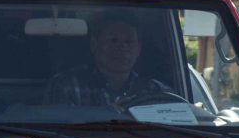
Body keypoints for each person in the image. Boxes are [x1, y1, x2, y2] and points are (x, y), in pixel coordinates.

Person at [46, 12, 175, 109]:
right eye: (114, 41)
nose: (122, 48)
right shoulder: (68, 86)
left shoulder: (156, 91)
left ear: (139, 49)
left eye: (129, 42)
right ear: (94, 45)